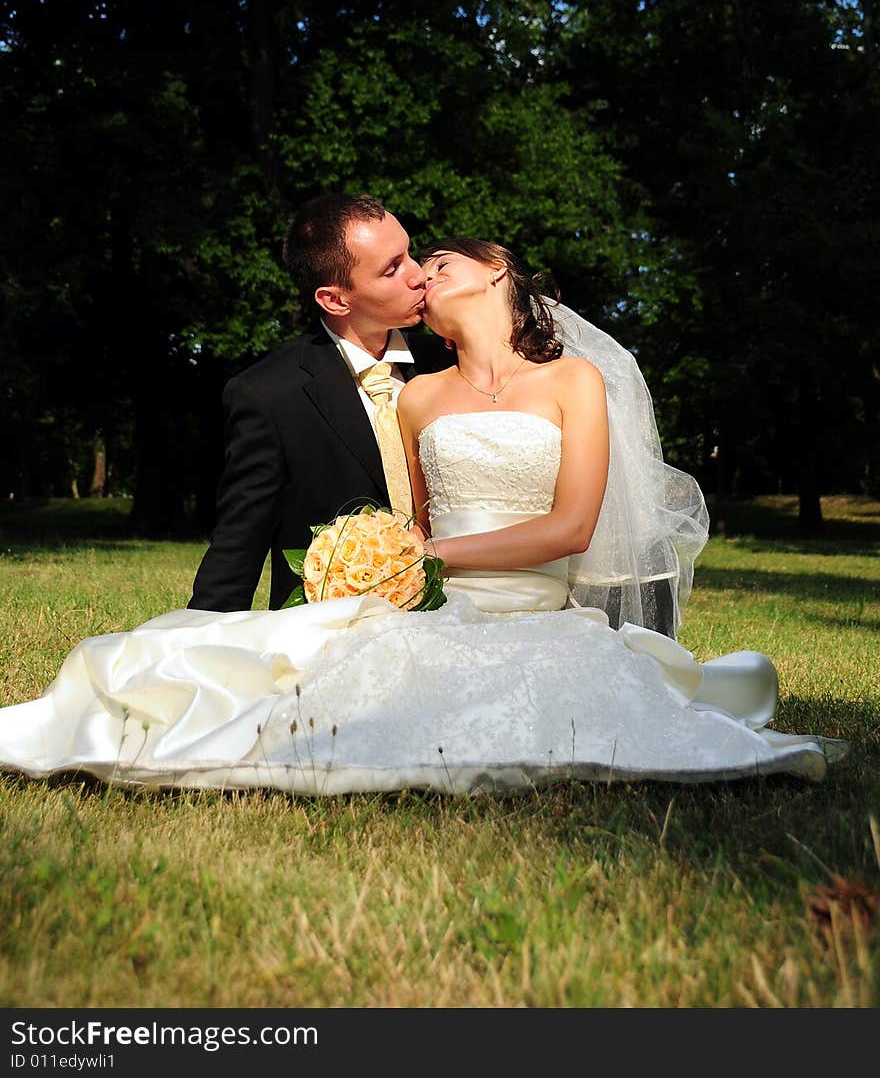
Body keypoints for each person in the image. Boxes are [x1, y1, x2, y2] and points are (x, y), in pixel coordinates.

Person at [0, 234, 846, 792]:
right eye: (410, 267)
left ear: (497, 272)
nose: (421, 277)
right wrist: (405, 561)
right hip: (444, 606)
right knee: (312, 692)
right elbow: (415, 520)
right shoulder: (420, 397)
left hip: (540, 610)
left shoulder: (573, 382)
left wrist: (431, 553)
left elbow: (572, 528)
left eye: (437, 262)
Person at [189, 193, 442, 611]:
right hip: (333, 629)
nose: (418, 275)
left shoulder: (447, 362)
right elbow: (240, 542)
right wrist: (198, 647)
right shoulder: (270, 395)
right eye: (391, 269)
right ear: (335, 299)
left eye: (409, 253)